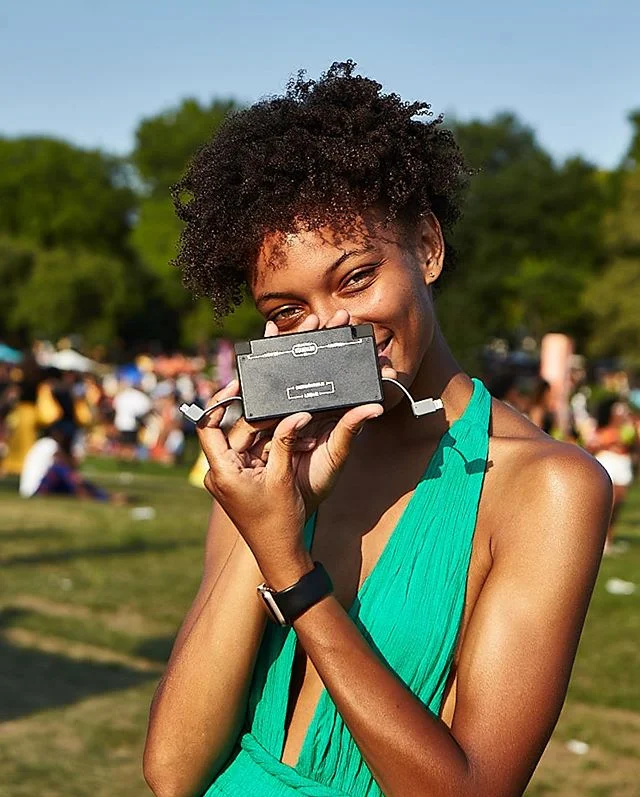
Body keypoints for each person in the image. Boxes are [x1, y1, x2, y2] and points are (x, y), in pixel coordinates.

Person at [143, 63, 612, 797]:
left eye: (355, 278)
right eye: (290, 309)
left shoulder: (545, 486)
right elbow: (173, 770)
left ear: (425, 247)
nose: (333, 324)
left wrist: (291, 572)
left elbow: (472, 789)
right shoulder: (267, 467)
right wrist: (263, 523)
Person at [586, 398, 636, 552]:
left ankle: (609, 537)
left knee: (619, 502)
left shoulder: (629, 428)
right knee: (611, 502)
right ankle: (600, 540)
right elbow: (591, 446)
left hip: (623, 463)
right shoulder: (601, 429)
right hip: (608, 461)